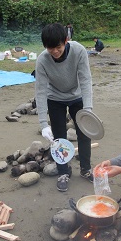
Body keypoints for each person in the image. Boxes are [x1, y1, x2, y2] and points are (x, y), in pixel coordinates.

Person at [35, 23, 94, 192]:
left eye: (58, 47)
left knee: (84, 133)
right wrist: (43, 124)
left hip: (77, 96)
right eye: (50, 48)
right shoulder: (42, 60)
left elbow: (85, 80)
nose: (54, 51)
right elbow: (40, 91)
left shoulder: (79, 51)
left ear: (66, 41)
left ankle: (85, 169)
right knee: (59, 137)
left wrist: (88, 109)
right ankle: (63, 172)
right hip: (55, 98)